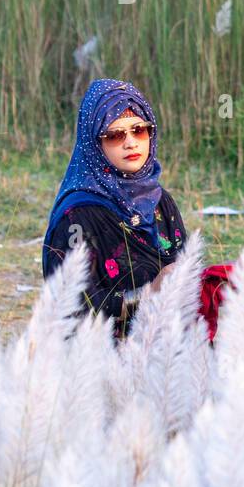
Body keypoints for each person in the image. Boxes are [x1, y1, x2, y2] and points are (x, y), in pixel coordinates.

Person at [42, 79, 186, 339]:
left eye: (139, 130)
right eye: (115, 135)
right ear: (94, 143)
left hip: (166, 354)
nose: (131, 143)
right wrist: (148, 293)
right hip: (99, 362)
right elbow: (69, 309)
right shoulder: (76, 217)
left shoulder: (160, 202)